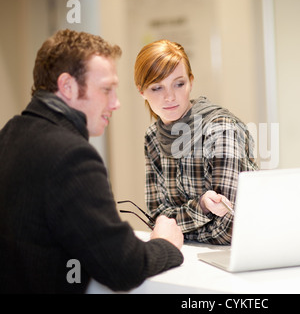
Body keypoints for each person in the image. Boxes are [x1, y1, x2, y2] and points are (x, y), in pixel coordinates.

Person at [0, 29, 184, 294]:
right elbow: (123, 268)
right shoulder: (71, 156)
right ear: (67, 86)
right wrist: (165, 243)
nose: (116, 103)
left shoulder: (9, 134)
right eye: (106, 90)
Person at [134, 39, 259, 245]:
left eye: (179, 84)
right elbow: (158, 217)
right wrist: (201, 206)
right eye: (157, 88)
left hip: (239, 254)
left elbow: (230, 228)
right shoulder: (152, 137)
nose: (170, 97)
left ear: (191, 81)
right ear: (142, 92)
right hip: (187, 257)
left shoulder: (222, 129)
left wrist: (177, 232)